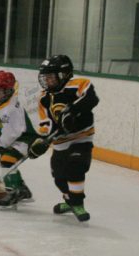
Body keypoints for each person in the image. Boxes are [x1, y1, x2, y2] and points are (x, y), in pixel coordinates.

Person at [28, 55, 99, 222]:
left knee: (76, 166)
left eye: (51, 77)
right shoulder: (44, 97)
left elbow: (91, 99)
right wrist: (41, 141)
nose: (47, 81)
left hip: (81, 137)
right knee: (59, 175)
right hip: (60, 142)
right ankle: (69, 200)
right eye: (45, 78)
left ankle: (77, 202)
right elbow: (45, 123)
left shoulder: (79, 84)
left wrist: (72, 111)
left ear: (64, 74)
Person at [0, 70, 38, 207]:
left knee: (6, 160)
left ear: (8, 92)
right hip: (16, 138)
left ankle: (13, 191)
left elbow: (12, 133)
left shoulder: (10, 109)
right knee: (8, 160)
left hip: (25, 139)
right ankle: (22, 189)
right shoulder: (0, 104)